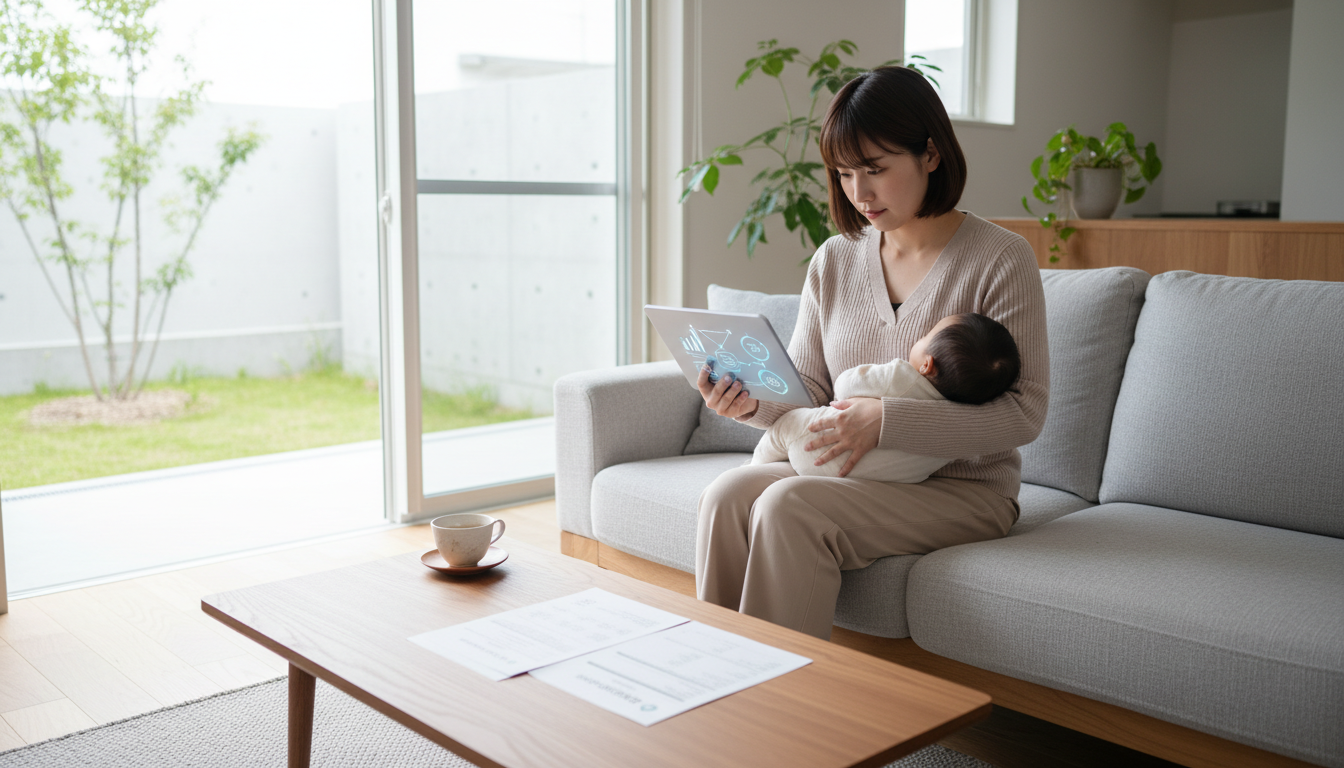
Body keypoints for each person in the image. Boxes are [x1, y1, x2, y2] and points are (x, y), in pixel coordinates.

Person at [693, 65, 1049, 640]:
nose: (859, 193)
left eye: (876, 170)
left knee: (790, 506)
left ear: (930, 154)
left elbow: (1024, 413)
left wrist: (886, 421)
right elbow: (806, 394)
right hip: (856, 476)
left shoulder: (1000, 258)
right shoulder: (834, 260)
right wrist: (746, 404)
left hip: (963, 490)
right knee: (728, 493)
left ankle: (780, 711)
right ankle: (714, 684)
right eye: (844, 173)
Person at [749, 312, 1021, 483]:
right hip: (877, 478)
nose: (920, 335)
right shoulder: (953, 431)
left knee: (785, 427)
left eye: (926, 336)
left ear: (927, 365)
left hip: (816, 449)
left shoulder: (901, 377)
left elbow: (844, 386)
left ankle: (755, 465)